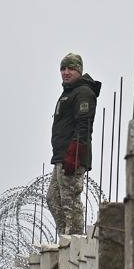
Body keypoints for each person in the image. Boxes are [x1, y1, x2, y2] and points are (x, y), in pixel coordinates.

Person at [47, 52, 101, 236]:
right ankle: (65, 237)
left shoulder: (83, 92)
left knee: (69, 200)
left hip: (72, 155)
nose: (66, 72)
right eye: (63, 68)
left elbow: (84, 124)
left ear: (79, 70)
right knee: (54, 199)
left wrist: (75, 153)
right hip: (61, 155)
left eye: (71, 68)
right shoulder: (68, 93)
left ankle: (74, 240)